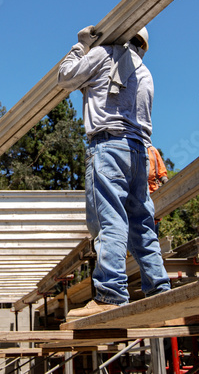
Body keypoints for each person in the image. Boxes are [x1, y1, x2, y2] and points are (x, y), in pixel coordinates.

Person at [57, 25, 171, 319]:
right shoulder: (145, 73)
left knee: (110, 221)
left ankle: (110, 293)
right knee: (142, 225)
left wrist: (80, 47)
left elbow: (65, 77)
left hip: (108, 147)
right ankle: (160, 290)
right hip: (139, 154)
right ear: (143, 45)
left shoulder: (103, 54)